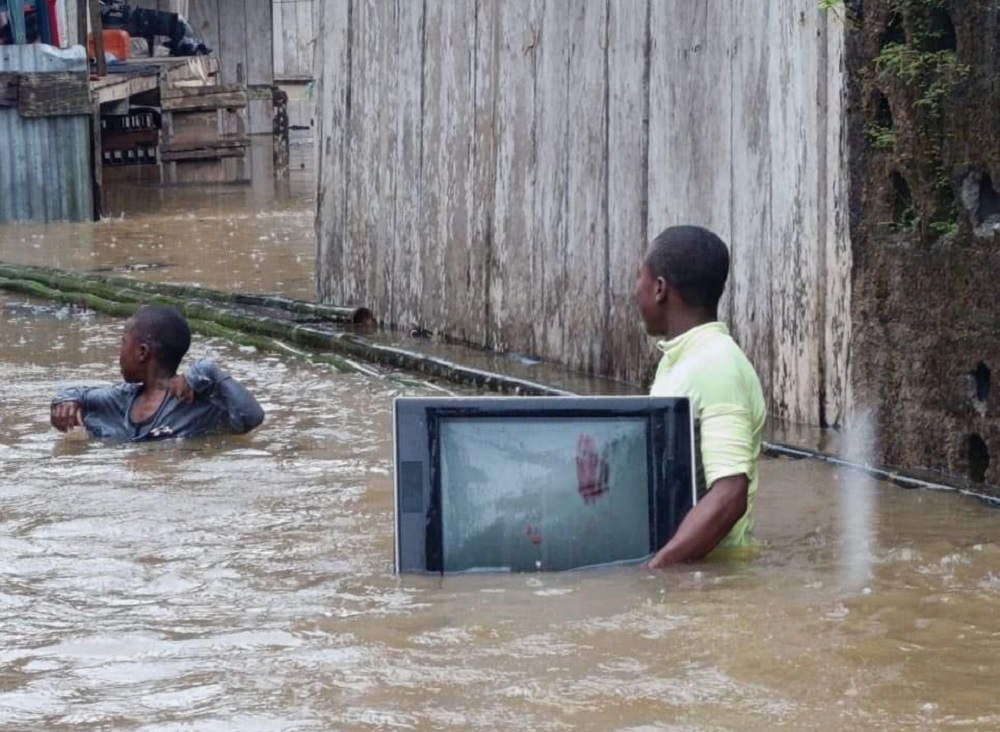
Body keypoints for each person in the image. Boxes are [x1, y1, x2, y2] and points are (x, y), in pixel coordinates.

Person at [633, 225, 766, 568]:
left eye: (640, 279)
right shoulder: (681, 360)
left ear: (659, 287)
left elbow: (730, 494)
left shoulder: (716, 365)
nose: (636, 292)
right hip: (690, 568)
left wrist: (656, 570)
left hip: (712, 578)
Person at [50, 304, 264, 441]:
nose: (120, 354)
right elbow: (77, 393)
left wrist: (209, 370)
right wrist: (65, 400)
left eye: (123, 343)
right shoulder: (121, 398)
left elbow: (252, 417)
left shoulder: (196, 403)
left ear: (142, 352)